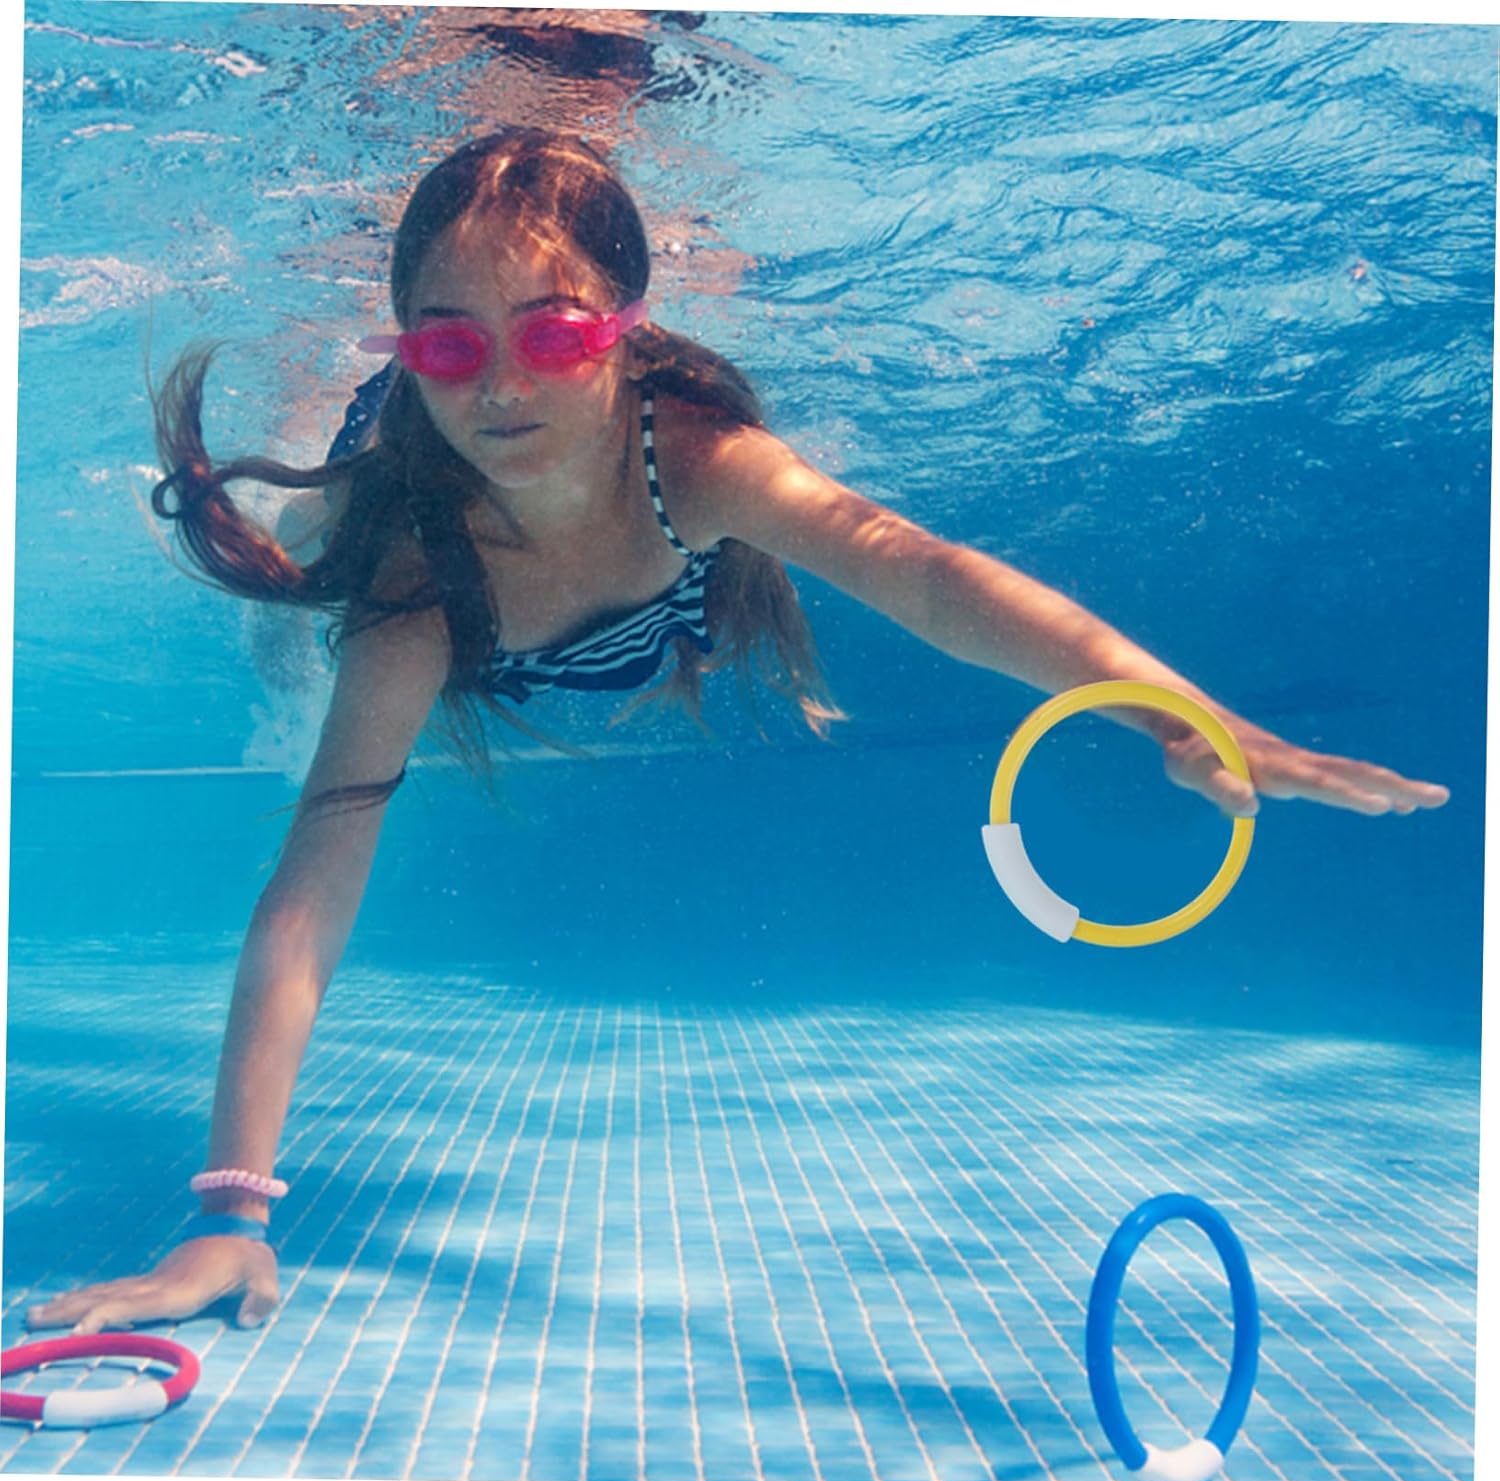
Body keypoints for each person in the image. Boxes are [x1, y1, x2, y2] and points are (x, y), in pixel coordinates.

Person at [25, 127, 1448, 1337]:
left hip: (648, 603)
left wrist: (1175, 712)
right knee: (300, 612)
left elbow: (920, 573)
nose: (504, 388)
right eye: (450, 345)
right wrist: (227, 1213)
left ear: (628, 328)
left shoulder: (696, 458)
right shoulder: (412, 584)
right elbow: (315, 881)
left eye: (556, 333)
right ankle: (318, 544)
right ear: (410, 350)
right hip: (437, 566)